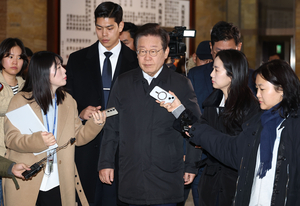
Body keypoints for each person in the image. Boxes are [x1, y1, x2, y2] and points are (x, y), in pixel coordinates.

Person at [160, 59, 300, 206]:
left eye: (262, 89)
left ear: (282, 88)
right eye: (256, 88)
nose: (257, 94)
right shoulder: (258, 123)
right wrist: (180, 111)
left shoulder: (293, 127)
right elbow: (227, 148)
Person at [98, 23, 201, 206]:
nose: (147, 57)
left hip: (166, 175)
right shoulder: (123, 83)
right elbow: (111, 126)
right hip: (131, 173)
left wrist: (191, 164)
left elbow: (194, 127)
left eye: (153, 51)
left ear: (166, 51)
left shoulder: (181, 84)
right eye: (142, 51)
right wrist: (106, 162)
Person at [4, 51, 106, 206]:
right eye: (58, 67)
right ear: (43, 72)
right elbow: (11, 139)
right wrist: (38, 140)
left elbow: (77, 137)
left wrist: (95, 124)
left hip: (59, 181)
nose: (64, 70)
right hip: (28, 179)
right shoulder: (21, 100)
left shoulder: (68, 101)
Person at [160, 49, 260, 206]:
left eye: (216, 69)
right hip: (211, 185)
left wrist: (200, 136)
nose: (211, 74)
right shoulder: (213, 102)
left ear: (232, 73)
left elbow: (228, 148)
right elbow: (198, 130)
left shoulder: (249, 107)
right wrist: (177, 109)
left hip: (235, 186)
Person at [65, 1, 139, 205]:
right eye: (99, 28)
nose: (104, 34)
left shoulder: (135, 62)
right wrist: (80, 112)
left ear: (120, 26)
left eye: (109, 28)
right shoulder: (78, 60)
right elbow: (66, 100)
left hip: (124, 147)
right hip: (86, 147)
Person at [188, 21, 256, 113]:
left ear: (239, 47)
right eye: (219, 52)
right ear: (211, 48)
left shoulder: (252, 78)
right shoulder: (196, 76)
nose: (223, 58)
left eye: (229, 52)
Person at [0, 37, 27, 206]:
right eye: (10, 56)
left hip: (18, 154)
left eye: (19, 57)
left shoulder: (26, 85)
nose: (15, 61)